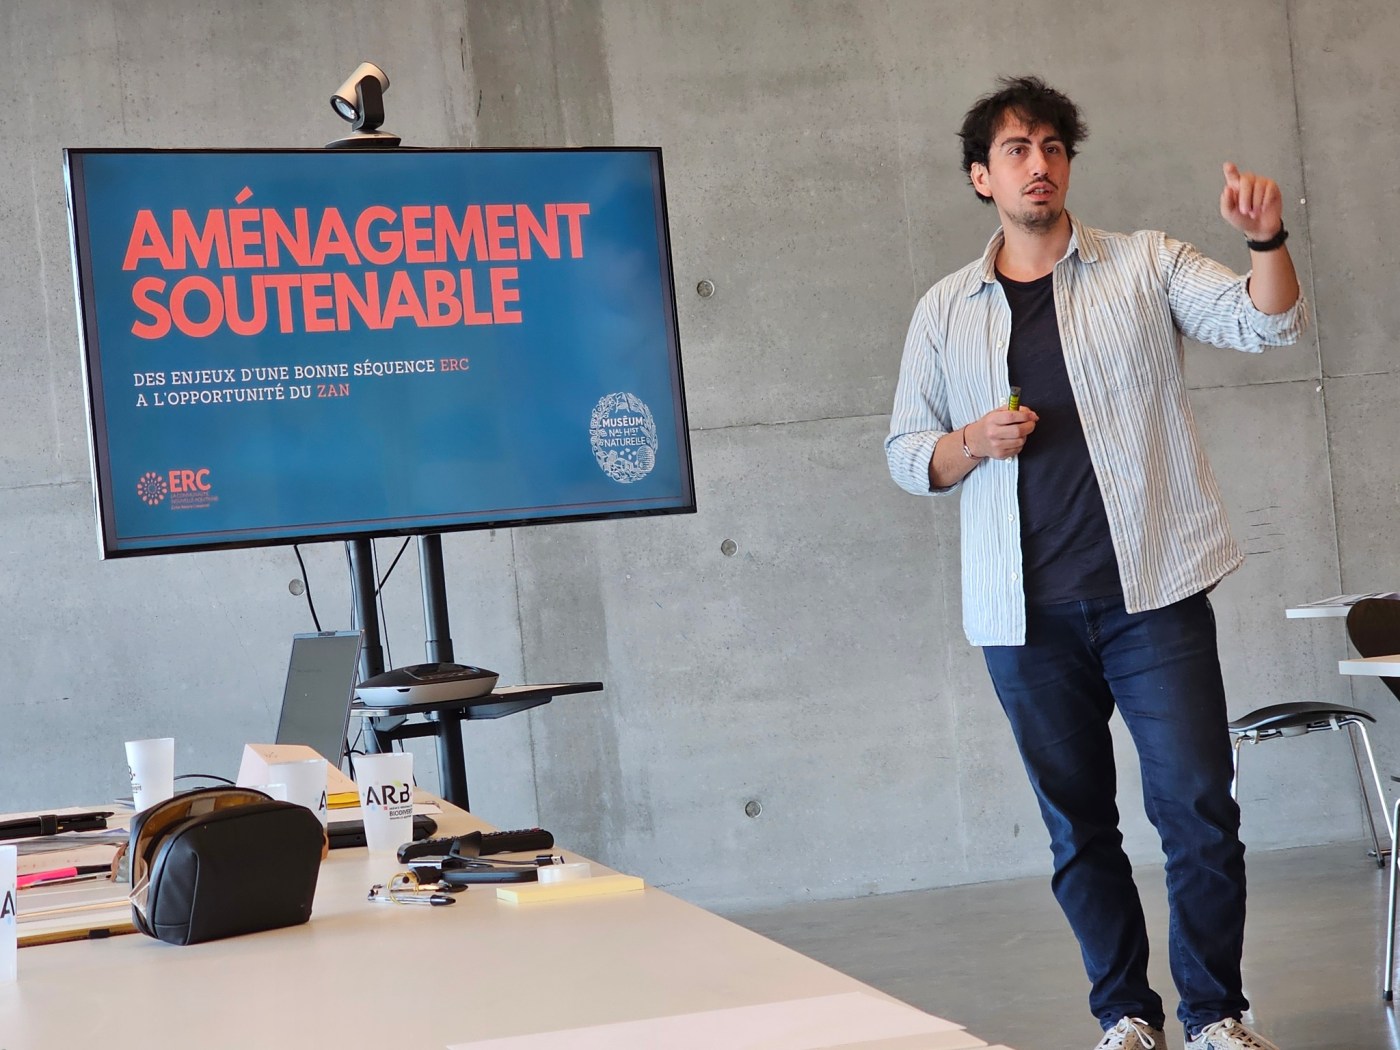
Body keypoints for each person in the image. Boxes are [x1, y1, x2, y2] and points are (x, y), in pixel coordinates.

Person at [885, 75, 1307, 1050]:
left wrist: (1266, 241)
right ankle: (1123, 1014)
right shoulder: (945, 310)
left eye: (1051, 147)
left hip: (1151, 597)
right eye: (1016, 150)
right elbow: (906, 454)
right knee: (1077, 826)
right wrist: (969, 443)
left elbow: (1263, 320)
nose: (1038, 164)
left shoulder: (1144, 263)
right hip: (1022, 617)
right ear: (981, 177)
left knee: (1197, 809)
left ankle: (1215, 1014)